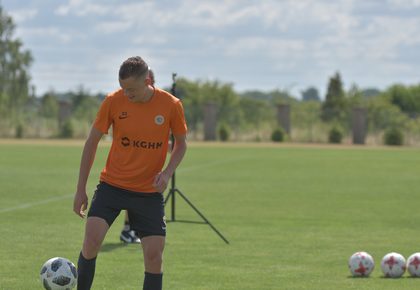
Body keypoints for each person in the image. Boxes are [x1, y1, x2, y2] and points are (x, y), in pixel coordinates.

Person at [73, 56, 187, 290]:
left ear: (147, 80)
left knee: (154, 257)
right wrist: (80, 189)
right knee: (91, 242)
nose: (127, 94)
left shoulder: (171, 105)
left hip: (148, 193)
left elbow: (181, 144)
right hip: (112, 186)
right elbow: (91, 142)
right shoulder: (113, 102)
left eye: (132, 89)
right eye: (123, 88)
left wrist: (166, 174)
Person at [120, 68, 156, 244]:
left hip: (145, 166)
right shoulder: (125, 103)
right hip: (129, 163)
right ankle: (128, 230)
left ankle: (131, 229)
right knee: (132, 197)